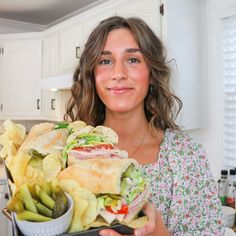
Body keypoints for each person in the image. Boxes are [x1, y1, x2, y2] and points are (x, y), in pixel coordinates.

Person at [65, 16, 224, 236]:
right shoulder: (70, 152)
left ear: (151, 74)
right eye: (105, 61)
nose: (118, 73)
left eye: (133, 59)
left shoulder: (185, 154)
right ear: (92, 74)